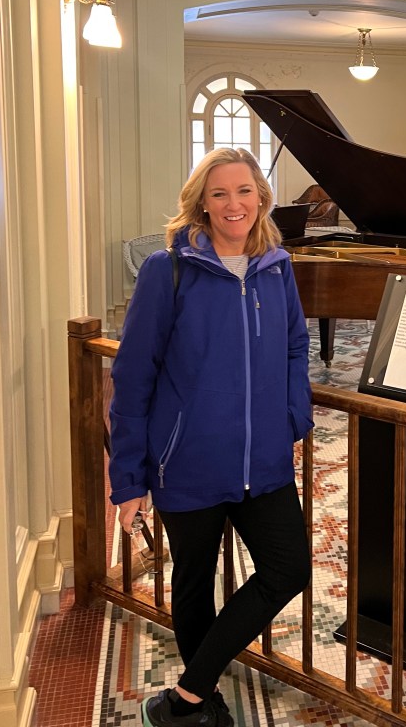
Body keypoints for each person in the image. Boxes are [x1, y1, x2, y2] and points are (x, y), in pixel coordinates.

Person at [108, 148, 313, 727]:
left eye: (244, 191)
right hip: (188, 462)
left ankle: (188, 694)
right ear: (202, 202)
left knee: (288, 569)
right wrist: (128, 479)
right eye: (219, 193)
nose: (233, 204)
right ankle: (203, 704)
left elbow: (296, 346)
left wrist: (293, 417)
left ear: (261, 198)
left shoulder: (277, 266)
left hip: (264, 461)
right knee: (194, 582)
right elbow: (134, 375)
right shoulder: (169, 269)